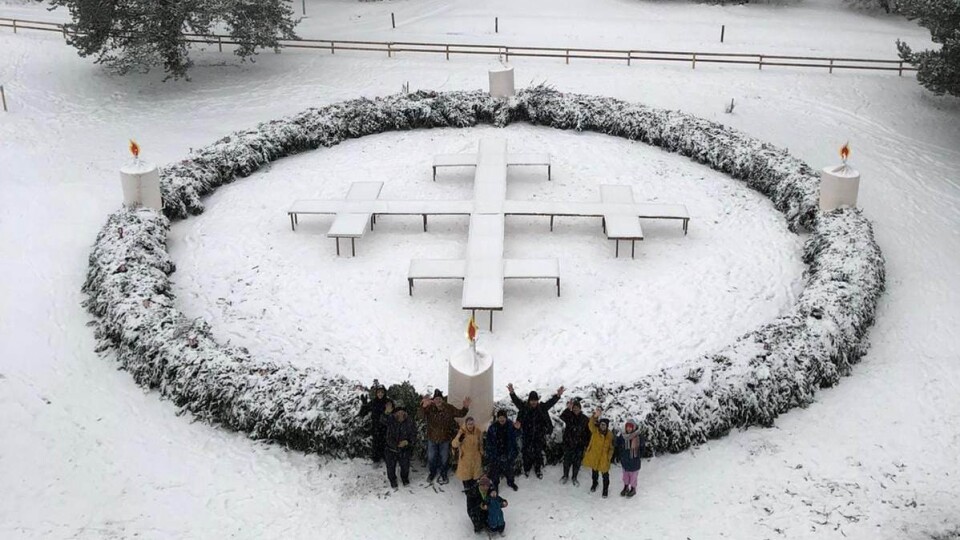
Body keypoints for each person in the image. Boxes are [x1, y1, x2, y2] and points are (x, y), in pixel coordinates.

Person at [507, 383, 564, 479]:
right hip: (527, 434)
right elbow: (516, 401)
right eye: (532, 400)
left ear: (537, 401)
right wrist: (512, 392)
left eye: (535, 400)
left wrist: (558, 395)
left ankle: (538, 469)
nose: (533, 402)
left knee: (538, 452)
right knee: (526, 452)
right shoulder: (524, 407)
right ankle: (527, 468)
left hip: (539, 435)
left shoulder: (542, 408)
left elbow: (551, 402)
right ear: (529, 401)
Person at [419, 389, 470, 484]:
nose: (438, 401)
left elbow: (461, 414)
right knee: (431, 457)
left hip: (445, 439)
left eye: (440, 399)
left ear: (442, 400)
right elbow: (421, 416)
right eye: (436, 399)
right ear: (433, 400)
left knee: (444, 458)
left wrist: (465, 407)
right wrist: (423, 406)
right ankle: (432, 473)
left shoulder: (449, 408)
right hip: (432, 439)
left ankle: (443, 473)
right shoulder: (429, 408)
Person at [381, 402, 417, 489]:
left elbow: (414, 434)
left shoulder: (410, 421)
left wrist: (407, 441)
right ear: (395, 413)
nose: (400, 414)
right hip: (390, 449)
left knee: (405, 466)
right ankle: (392, 480)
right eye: (398, 412)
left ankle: (404, 478)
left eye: (402, 412)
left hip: (404, 449)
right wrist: (386, 412)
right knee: (390, 467)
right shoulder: (391, 419)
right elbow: (382, 420)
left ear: (405, 413)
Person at [582, 408, 615, 498]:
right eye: (601, 425)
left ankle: (605, 490)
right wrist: (595, 416)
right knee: (594, 472)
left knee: (605, 475)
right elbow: (590, 424)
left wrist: (609, 457)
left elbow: (612, 448)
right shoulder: (595, 431)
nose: (602, 426)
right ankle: (594, 484)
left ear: (607, 426)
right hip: (595, 456)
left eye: (604, 425)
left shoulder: (610, 435)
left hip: (604, 458)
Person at [485, 409, 520, 491]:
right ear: (497, 418)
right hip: (496, 454)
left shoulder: (511, 425)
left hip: (508, 453)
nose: (501, 419)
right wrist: (491, 453)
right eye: (500, 417)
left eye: (503, 417)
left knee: (509, 470)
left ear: (506, 418)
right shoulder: (492, 427)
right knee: (495, 472)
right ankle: (495, 485)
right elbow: (488, 442)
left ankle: (511, 482)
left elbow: (517, 435)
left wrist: (517, 429)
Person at [559, 397, 590, 486]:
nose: (576, 409)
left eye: (577, 408)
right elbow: (562, 416)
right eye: (574, 408)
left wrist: (587, 444)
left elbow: (588, 432)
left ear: (580, 409)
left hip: (579, 444)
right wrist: (568, 408)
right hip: (568, 443)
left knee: (577, 462)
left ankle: (574, 477)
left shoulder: (585, 419)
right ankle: (565, 475)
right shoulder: (569, 416)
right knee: (567, 460)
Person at [358, 383, 390, 464]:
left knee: (386, 443)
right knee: (376, 443)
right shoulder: (373, 402)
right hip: (376, 427)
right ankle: (376, 459)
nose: (380, 394)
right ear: (376, 393)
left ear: (384, 393)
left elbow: (393, 412)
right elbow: (363, 413)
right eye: (379, 392)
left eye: (382, 392)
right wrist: (364, 405)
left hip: (386, 427)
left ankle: (386, 458)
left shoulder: (388, 402)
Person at [451, 416, 485, 488]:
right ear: (466, 424)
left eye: (472, 424)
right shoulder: (462, 432)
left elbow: (481, 443)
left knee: (475, 476)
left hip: (476, 457)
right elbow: (454, 444)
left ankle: (473, 488)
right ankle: (467, 489)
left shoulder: (478, 431)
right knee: (466, 476)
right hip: (465, 458)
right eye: (469, 424)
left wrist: (481, 453)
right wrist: (459, 440)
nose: (470, 426)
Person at [615, 418, 644, 498]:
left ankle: (633, 488)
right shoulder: (622, 436)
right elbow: (618, 445)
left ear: (634, 427)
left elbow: (642, 448)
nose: (628, 428)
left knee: (633, 477)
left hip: (634, 461)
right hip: (625, 460)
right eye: (627, 427)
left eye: (630, 427)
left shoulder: (638, 437)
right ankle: (626, 487)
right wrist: (621, 455)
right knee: (625, 476)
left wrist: (638, 456)